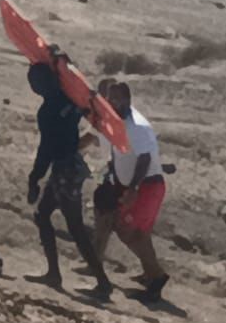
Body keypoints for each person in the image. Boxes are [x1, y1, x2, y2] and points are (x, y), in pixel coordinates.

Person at [24, 62, 110, 297]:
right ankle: (54, 273)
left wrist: (34, 177)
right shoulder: (70, 100)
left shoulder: (48, 111)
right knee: (43, 215)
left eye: (35, 82)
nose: (34, 87)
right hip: (71, 166)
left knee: (75, 227)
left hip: (63, 169)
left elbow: (46, 149)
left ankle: (102, 282)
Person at [93, 82, 168, 301]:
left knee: (130, 230)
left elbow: (144, 158)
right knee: (136, 232)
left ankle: (156, 277)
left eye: (115, 99)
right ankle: (151, 273)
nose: (111, 103)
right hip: (134, 185)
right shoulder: (118, 122)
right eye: (109, 99)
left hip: (147, 186)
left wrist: (133, 188)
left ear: (126, 100)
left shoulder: (137, 126)